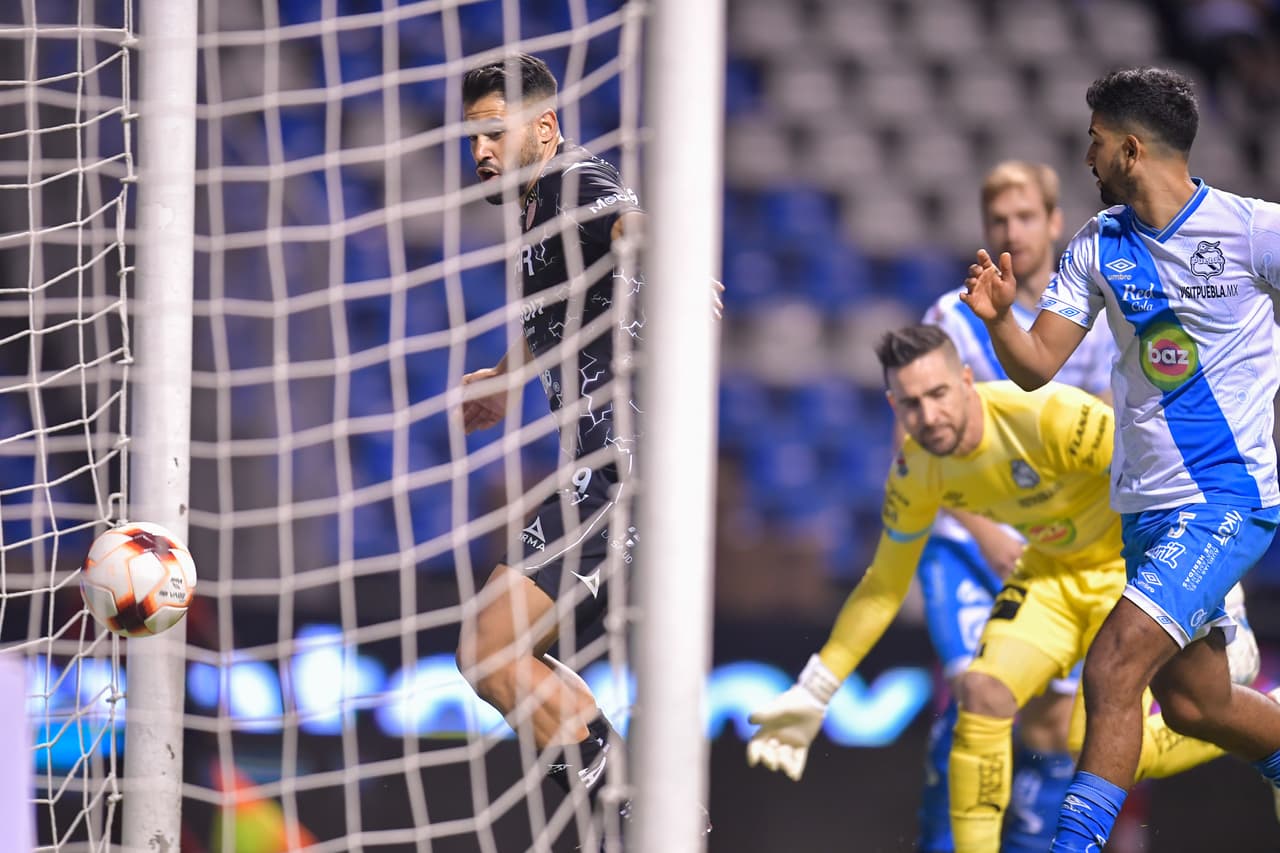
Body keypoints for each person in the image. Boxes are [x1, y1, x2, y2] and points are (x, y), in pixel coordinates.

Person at [746, 325, 1226, 853]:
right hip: (1052, 574)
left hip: (1130, 569)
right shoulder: (917, 471)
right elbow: (882, 586)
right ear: (893, 406)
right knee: (982, 692)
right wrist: (816, 689)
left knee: (1095, 745)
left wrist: (1213, 596)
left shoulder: (1045, 415)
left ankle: (1252, 718)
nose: (928, 416)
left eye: (938, 394)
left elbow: (1174, 483)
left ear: (967, 381)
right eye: (910, 404)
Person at [960, 66, 1280, 851]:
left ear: (1132, 150)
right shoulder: (1099, 246)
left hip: (1225, 500)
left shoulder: (1253, 230)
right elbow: (1035, 363)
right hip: (1144, 509)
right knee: (1194, 705)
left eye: (1095, 143)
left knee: (1111, 671)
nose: (1087, 157)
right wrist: (1003, 320)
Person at [453, 53, 645, 820]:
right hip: (593, 471)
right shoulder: (536, 211)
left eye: (494, 132)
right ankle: (639, 811)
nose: (481, 152)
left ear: (545, 126)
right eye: (471, 139)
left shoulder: (572, 178)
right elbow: (560, 310)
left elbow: (631, 223)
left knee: (492, 651)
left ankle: (638, 819)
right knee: (497, 654)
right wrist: (504, 375)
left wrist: (672, 263)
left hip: (621, 469)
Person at [918, 160, 1114, 853]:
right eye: (998, 219)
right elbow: (915, 452)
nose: (1012, 230)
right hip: (966, 544)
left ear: (1056, 222)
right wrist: (988, 532)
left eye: (1026, 216)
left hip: (1056, 549)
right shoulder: (949, 318)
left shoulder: (1092, 319)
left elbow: (1105, 446)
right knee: (981, 693)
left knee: (1054, 720)